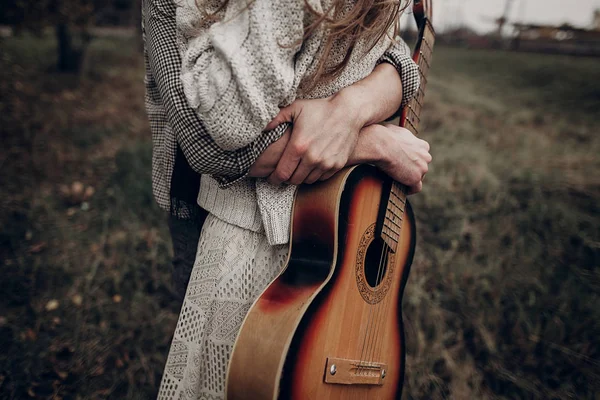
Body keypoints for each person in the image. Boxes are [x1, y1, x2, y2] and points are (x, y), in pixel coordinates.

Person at [141, 0, 432, 398]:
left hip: (335, 212)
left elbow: (397, 57)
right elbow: (209, 145)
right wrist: (372, 142)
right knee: (235, 368)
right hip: (217, 205)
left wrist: (348, 109)